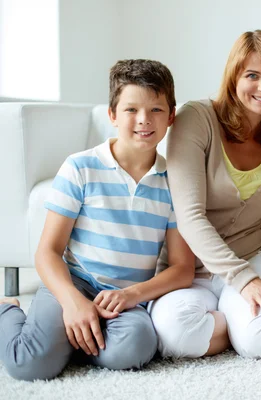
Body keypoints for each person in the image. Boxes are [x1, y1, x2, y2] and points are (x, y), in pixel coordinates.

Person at [0, 59, 196, 381]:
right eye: (131, 109)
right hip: (74, 284)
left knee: (136, 347)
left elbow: (182, 268)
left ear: (171, 116)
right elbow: (47, 252)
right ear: (112, 115)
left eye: (156, 110)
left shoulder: (173, 181)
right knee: (29, 363)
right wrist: (74, 303)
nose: (144, 120)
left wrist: (133, 295)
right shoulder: (81, 168)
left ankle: (71, 340)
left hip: (126, 297)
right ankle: (8, 310)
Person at [149, 30, 261, 360]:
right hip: (193, 268)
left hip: (254, 257)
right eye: (252, 76)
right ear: (233, 77)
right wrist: (245, 282)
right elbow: (189, 216)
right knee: (173, 336)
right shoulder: (196, 119)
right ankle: (239, 329)